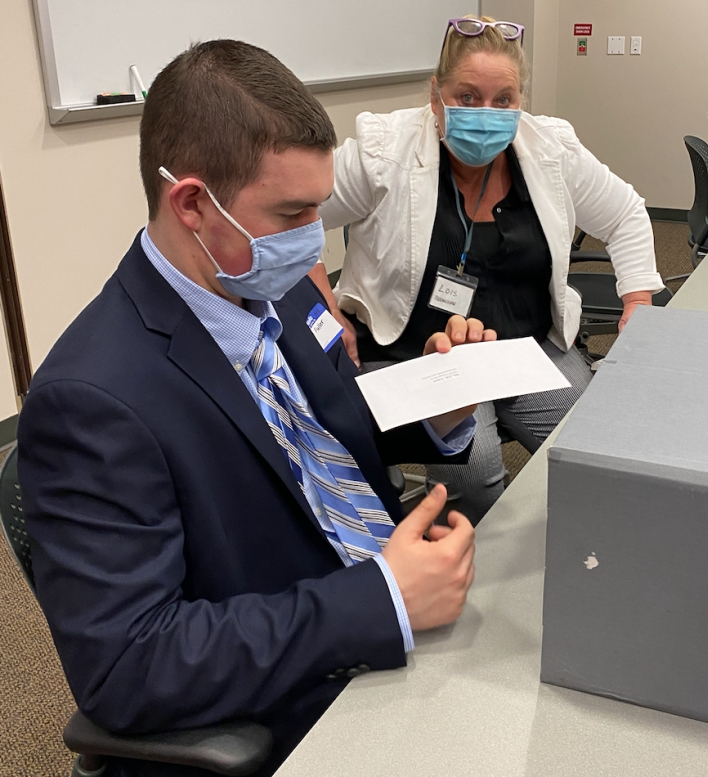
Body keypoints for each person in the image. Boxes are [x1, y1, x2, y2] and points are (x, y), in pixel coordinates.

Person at [17, 40, 493, 777]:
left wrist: (439, 407)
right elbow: (127, 665)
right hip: (298, 697)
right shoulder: (90, 401)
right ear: (194, 204)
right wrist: (378, 600)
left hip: (401, 604)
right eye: (293, 211)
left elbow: (328, 430)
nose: (314, 236)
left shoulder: (274, 286)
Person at [310, 16, 665, 524]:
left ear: (521, 101)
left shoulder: (551, 148)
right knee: (471, 473)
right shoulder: (382, 147)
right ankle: (472, 572)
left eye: (503, 100)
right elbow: (296, 218)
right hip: (417, 350)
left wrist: (637, 302)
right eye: (468, 96)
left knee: (592, 448)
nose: (486, 113)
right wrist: (329, 309)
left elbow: (626, 213)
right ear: (436, 94)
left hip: (524, 347)